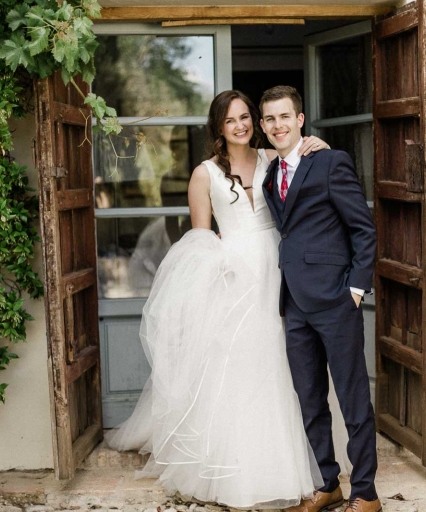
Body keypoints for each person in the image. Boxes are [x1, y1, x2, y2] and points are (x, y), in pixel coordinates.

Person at [106, 90, 339, 509]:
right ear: (218, 126)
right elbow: (198, 239)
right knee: (241, 366)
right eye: (231, 120)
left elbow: (308, 166)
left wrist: (317, 143)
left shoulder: (274, 157)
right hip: (235, 277)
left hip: (280, 270)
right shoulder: (205, 174)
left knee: (287, 364)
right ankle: (239, 472)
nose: (241, 125)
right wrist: (219, 272)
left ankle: (304, 467)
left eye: (247, 117)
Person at [260, 86, 380, 512]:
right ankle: (328, 483)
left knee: (352, 398)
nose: (278, 125)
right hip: (293, 302)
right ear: (263, 126)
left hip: (334, 300)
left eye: (284, 117)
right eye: (270, 119)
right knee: (310, 399)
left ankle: (365, 492)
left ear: (300, 119)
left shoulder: (330, 162)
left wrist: (354, 288)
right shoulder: (271, 175)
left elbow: (363, 230)